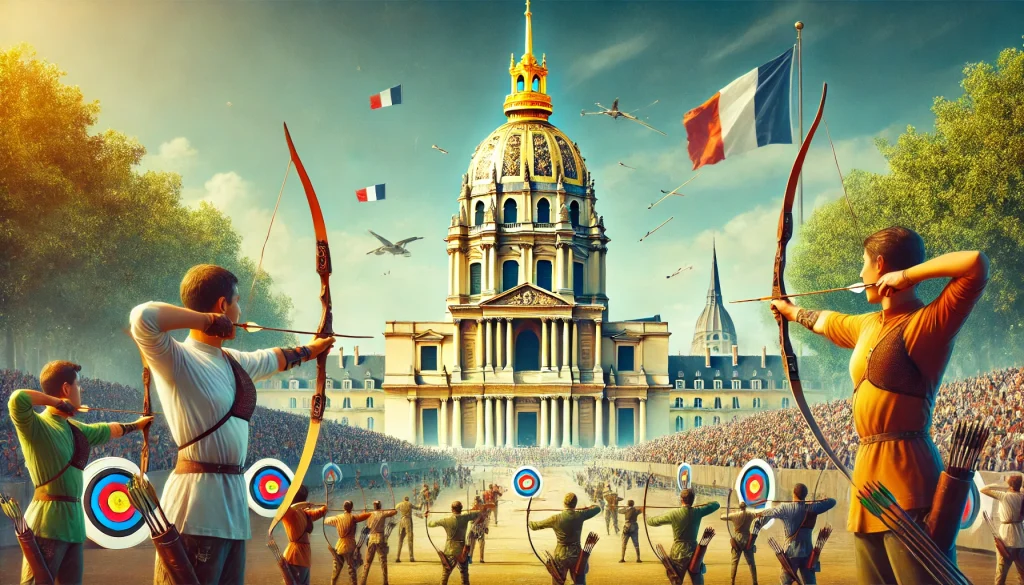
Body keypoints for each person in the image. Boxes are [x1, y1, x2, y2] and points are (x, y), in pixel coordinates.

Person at [771, 227, 989, 583]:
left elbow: (976, 265)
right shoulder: (869, 325)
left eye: (864, 264)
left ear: (882, 264)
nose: (861, 274)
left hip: (909, 482)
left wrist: (906, 276)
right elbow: (826, 320)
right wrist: (789, 310)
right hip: (868, 485)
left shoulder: (927, 323)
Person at [131, 264, 335, 585]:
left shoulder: (233, 361)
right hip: (194, 512)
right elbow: (143, 317)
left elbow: (274, 357)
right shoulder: (177, 358)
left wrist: (314, 348)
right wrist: (208, 321)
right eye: (236, 302)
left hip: (232, 513)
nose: (240, 311)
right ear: (224, 305)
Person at [10, 360, 152, 585]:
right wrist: (57, 402)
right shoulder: (36, 426)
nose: (82, 390)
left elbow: (106, 430)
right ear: (66, 389)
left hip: (75, 526)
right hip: (48, 523)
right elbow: (18, 398)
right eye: (78, 385)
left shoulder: (75, 429)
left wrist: (137, 425)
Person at [757, 484, 836, 585]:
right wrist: (823, 500)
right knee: (810, 582)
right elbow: (833, 502)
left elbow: (768, 512)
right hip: (808, 552)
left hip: (791, 552)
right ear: (805, 495)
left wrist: (758, 513)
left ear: (793, 493)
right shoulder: (813, 507)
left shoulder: (785, 508)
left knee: (785, 582)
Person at [645, 488, 721, 585]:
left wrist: (646, 516)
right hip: (694, 552)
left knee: (676, 582)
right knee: (698, 581)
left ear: (681, 499)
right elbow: (716, 504)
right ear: (693, 499)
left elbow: (652, 522)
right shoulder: (698, 511)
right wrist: (705, 504)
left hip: (678, 553)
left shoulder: (674, 514)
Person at [528, 492, 602, 585]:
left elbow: (534, 526)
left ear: (564, 503)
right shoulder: (580, 515)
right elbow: (597, 509)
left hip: (561, 556)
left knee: (558, 583)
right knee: (580, 583)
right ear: (575, 503)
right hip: (577, 555)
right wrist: (589, 507)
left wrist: (527, 517)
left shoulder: (555, 518)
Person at [980, 474, 1024, 585]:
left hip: (1006, 540)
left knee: (1000, 576)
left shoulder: (1004, 496)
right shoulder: (1022, 496)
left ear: (1009, 485)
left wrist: (1003, 486)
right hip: (1021, 540)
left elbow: (984, 489)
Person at [280, 485, 328, 585]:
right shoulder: (288, 514)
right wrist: (303, 504)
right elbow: (289, 508)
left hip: (304, 558)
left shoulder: (304, 513)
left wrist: (325, 507)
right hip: (294, 557)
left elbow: (319, 512)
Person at [429, 500, 481, 585]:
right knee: (464, 575)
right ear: (461, 509)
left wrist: (428, 515)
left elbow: (430, 524)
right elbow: (479, 513)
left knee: (445, 574)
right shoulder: (465, 517)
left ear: (452, 509)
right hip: (462, 551)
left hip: (450, 550)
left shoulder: (446, 520)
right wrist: (474, 510)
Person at [325, 500, 371, 585]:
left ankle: (332, 583)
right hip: (349, 546)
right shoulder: (353, 517)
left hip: (339, 546)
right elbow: (366, 515)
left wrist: (325, 512)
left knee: (336, 569)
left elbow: (326, 520)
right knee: (351, 569)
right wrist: (365, 512)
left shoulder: (337, 517)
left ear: (343, 507)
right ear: (351, 507)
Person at [720, 501, 759, 585]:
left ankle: (732, 582)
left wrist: (729, 512)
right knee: (751, 563)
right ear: (745, 507)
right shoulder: (750, 514)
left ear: (740, 507)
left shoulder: (735, 515)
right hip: (748, 539)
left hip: (738, 539)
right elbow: (757, 515)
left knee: (734, 562)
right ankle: (755, 582)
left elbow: (722, 517)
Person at [360, 500, 398, 585]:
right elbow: (395, 511)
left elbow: (362, 516)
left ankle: (363, 582)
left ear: (374, 506)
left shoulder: (369, 514)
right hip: (380, 539)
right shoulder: (382, 513)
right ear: (380, 506)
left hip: (372, 539)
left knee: (367, 562)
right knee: (383, 561)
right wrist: (386, 510)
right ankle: (385, 582)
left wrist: (364, 512)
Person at [394, 496, 422, 563]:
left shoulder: (400, 504)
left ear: (403, 499)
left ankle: (397, 557)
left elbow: (394, 509)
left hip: (402, 521)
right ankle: (411, 557)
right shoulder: (409, 504)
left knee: (400, 539)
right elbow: (419, 508)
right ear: (408, 499)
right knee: (410, 539)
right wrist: (421, 503)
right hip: (408, 521)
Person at [617, 499, 643, 563]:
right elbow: (641, 510)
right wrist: (640, 507)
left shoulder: (626, 510)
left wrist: (625, 507)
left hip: (627, 526)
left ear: (628, 504)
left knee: (624, 543)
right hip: (634, 526)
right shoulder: (636, 510)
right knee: (636, 543)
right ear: (633, 504)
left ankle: (622, 558)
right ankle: (638, 558)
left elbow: (619, 511)